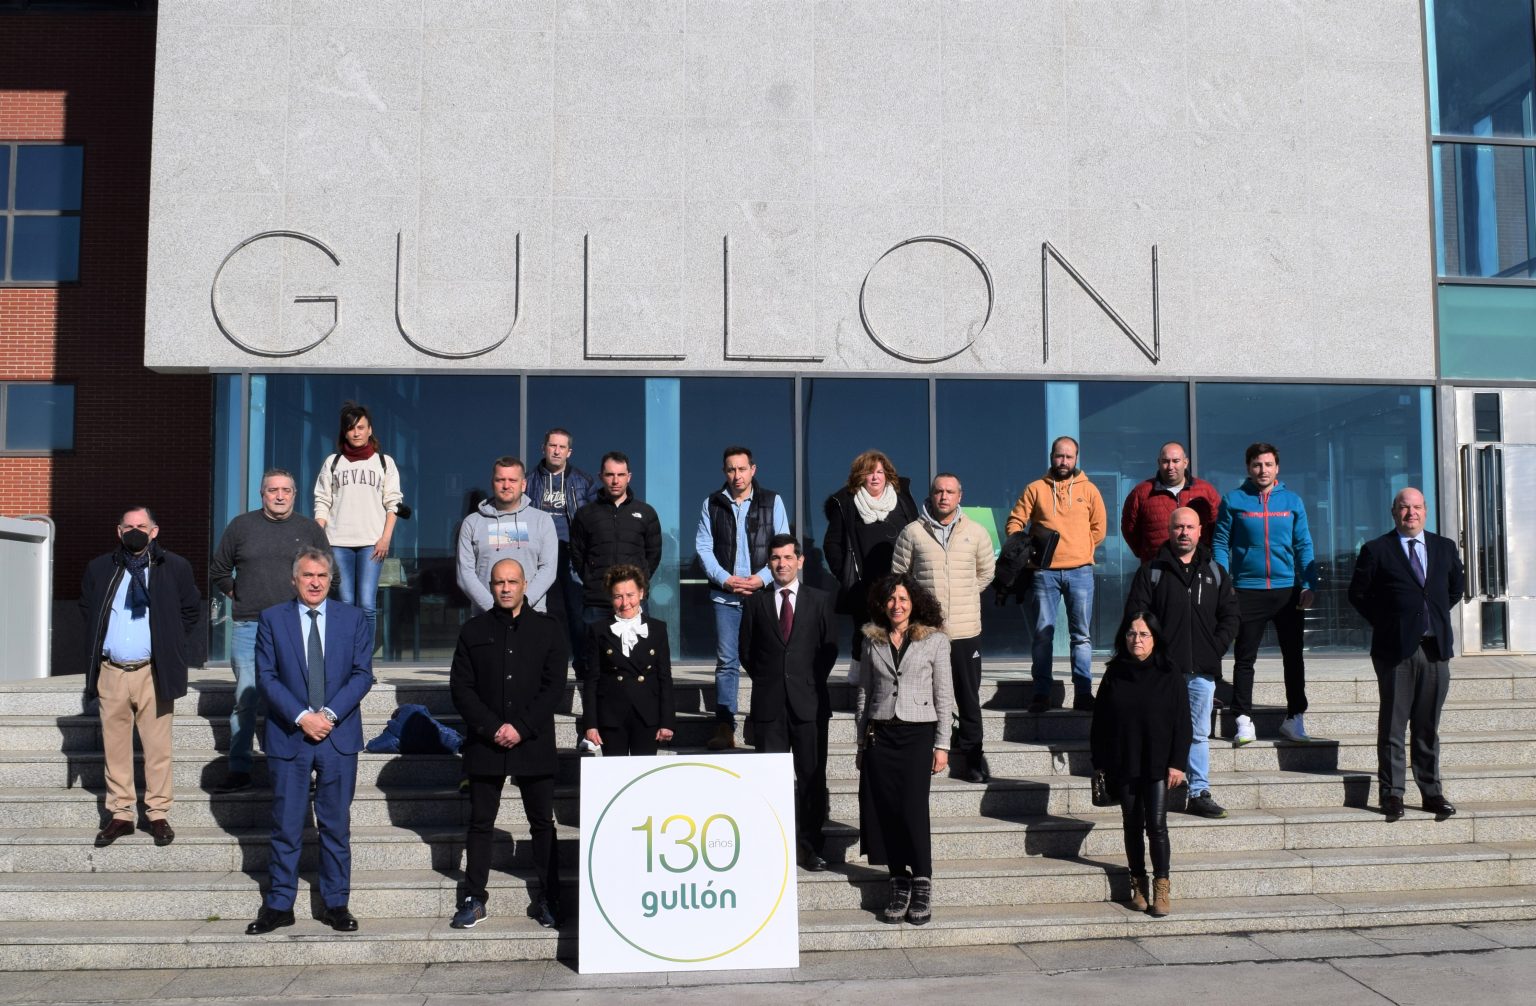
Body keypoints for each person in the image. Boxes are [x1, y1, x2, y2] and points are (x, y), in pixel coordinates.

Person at [246, 547, 375, 935]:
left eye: (321, 576)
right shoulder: (273, 619)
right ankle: (279, 905)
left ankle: (336, 904)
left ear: (331, 580)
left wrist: (328, 715)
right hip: (290, 736)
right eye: (307, 575)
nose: (315, 582)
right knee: (286, 826)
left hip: (338, 736)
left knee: (335, 827)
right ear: (294, 580)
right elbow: (266, 676)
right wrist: (303, 717)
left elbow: (362, 674)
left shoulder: (353, 618)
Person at [448, 558, 568, 930]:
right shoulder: (473, 630)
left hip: (534, 740)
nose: (505, 588)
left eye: (512, 581)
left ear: (524, 584)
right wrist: (492, 727)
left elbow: (554, 687)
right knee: (481, 823)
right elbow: (461, 688)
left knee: (542, 823)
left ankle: (549, 898)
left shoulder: (548, 629)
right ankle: (474, 898)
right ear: (491, 585)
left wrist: (521, 727)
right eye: (499, 582)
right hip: (486, 743)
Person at [80, 507, 201, 848]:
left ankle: (158, 813)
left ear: (154, 531)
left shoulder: (174, 566)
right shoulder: (100, 567)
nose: (135, 531)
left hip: (153, 671)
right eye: (129, 526)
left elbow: (190, 609)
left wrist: (170, 642)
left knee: (157, 748)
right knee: (115, 746)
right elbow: (88, 609)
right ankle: (121, 814)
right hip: (112, 671)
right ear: (119, 531)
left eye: (141, 526)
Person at [1347, 488, 1465, 823]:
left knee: (1427, 726)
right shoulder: (1377, 549)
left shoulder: (1444, 547)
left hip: (1435, 649)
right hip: (1395, 651)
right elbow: (1358, 594)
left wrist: (1430, 617)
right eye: (1404, 507)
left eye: (1416, 507)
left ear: (1425, 511)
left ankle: (1431, 793)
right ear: (1393, 512)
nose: (1410, 513)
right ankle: (1392, 794)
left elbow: (1455, 588)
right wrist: (1391, 623)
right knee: (1394, 726)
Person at [209, 468, 331, 792]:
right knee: (246, 697)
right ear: (262, 494)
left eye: (286, 490)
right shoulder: (241, 526)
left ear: (294, 494)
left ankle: (302, 769)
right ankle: (239, 769)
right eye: (273, 490)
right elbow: (219, 570)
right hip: (250, 624)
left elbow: (327, 571)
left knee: (301, 698)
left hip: (296, 626)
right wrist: (239, 594)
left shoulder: (309, 529)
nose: (279, 496)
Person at [1125, 507, 1239, 818]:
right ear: (1169, 530)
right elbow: (1136, 617)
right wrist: (1152, 655)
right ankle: (1153, 788)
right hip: (1161, 670)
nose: (1184, 532)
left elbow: (1231, 616)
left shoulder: (1215, 572)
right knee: (1156, 729)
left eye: (1190, 527)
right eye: (1178, 527)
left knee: (1199, 733)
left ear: (1200, 531)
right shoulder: (1151, 572)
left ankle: (1199, 791)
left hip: (1202, 670)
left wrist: (1214, 648)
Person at [854, 574, 953, 927]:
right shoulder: (871, 640)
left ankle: (922, 881)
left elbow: (944, 694)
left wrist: (943, 744)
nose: (897, 605)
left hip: (917, 735)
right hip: (880, 736)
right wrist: (860, 742)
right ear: (883, 604)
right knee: (886, 811)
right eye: (891, 599)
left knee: (912, 809)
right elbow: (864, 693)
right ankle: (898, 880)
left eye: (903, 599)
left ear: (914, 603)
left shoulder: (935, 640)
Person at [739, 534, 839, 870]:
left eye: (787, 557)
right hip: (769, 706)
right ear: (768, 563)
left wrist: (805, 681)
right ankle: (775, 845)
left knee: (811, 777)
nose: (782, 564)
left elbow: (828, 649)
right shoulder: (756, 603)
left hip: (809, 704)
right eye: (775, 558)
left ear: (800, 560)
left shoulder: (820, 600)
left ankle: (810, 846)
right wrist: (771, 681)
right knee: (770, 779)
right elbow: (746, 652)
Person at [891, 473, 996, 783]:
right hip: (926, 632)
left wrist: (964, 594)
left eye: (950, 492)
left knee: (968, 698)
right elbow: (899, 577)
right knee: (924, 695)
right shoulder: (912, 532)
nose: (944, 497)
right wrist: (922, 610)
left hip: (965, 631)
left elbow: (986, 573)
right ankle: (927, 753)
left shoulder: (976, 533)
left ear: (960, 496)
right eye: (939, 491)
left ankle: (973, 760)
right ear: (931, 495)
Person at [1213, 442, 1319, 745]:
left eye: (1268, 464)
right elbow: (1220, 543)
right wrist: (1224, 581)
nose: (1263, 470)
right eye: (1257, 465)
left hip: (1287, 591)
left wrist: (1309, 583)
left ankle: (1295, 718)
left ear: (1277, 468)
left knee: (1293, 658)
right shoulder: (1234, 500)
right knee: (1245, 658)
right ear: (1248, 467)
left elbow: (1303, 544)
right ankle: (1243, 720)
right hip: (1247, 590)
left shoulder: (1292, 501)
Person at [1090, 611, 1191, 919]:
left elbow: (1183, 723)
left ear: (1155, 638)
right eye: (1132, 633)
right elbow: (1100, 721)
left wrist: (1177, 763)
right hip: (1123, 761)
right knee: (1132, 825)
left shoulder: (1169, 672)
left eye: (1144, 634)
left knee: (1156, 827)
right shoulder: (1114, 672)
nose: (1137, 639)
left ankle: (1162, 888)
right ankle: (1138, 886)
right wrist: (1099, 763)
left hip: (1158, 763)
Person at [695, 445, 789, 750]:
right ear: (725, 472)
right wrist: (725, 579)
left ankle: (765, 722)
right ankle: (725, 726)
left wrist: (762, 578)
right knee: (727, 661)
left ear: (753, 470)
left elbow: (783, 546)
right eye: (731, 469)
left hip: (764, 596)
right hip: (726, 598)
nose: (737, 475)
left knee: (768, 659)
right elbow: (704, 549)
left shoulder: (772, 501)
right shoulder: (712, 503)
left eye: (742, 468)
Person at [1004, 436, 1107, 713]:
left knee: (1081, 636)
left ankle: (1083, 693)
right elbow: (1015, 521)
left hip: (1080, 571)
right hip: (1043, 573)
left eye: (1069, 457)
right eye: (1060, 456)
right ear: (1052, 456)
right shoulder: (1035, 488)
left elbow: (1099, 529)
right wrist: (1024, 548)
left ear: (1076, 459)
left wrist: (1080, 549)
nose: (1064, 461)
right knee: (1042, 635)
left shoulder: (1089, 490)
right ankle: (1041, 694)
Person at [313, 400, 403, 647]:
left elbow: (393, 503)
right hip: (337, 542)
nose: (356, 432)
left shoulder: (384, 462)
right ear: (344, 432)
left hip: (372, 544)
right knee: (344, 602)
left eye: (361, 427)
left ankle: (363, 658)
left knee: (366, 604)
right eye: (351, 428)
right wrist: (319, 536)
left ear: (370, 430)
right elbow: (322, 501)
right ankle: (344, 655)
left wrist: (385, 538)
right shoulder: (333, 462)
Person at [823, 450, 920, 663]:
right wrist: (845, 574)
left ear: (887, 475)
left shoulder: (902, 500)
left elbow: (917, 535)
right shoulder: (847, 503)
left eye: (879, 472)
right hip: (864, 587)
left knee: (902, 637)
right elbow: (832, 544)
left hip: (900, 585)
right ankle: (861, 680)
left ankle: (899, 678)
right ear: (860, 476)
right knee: (865, 644)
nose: (875, 477)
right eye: (869, 472)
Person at [525, 427, 598, 697]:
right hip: (538, 554)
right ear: (543, 448)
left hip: (572, 553)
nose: (556, 451)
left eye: (561, 447)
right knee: (537, 610)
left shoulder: (583, 481)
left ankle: (582, 666)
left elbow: (593, 520)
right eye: (552, 445)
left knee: (577, 612)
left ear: (569, 452)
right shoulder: (528, 480)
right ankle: (537, 666)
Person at [582, 564, 676, 757]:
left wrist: (667, 721)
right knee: (615, 772)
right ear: (611, 598)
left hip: (647, 715)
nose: (625, 603)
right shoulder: (599, 630)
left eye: (630, 595)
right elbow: (592, 680)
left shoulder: (658, 629)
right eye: (618, 596)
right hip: (611, 716)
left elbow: (665, 678)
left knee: (644, 773)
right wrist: (591, 724)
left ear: (641, 593)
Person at [570, 451, 662, 629]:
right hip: (597, 602)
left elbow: (653, 555)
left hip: (634, 603)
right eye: (610, 475)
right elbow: (577, 555)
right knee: (595, 648)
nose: (615, 480)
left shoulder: (646, 513)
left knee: (637, 648)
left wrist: (638, 583)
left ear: (629, 477)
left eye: (620, 475)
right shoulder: (585, 514)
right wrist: (591, 579)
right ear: (600, 477)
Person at [456, 456, 558, 616]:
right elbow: (465, 574)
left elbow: (548, 569)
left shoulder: (542, 521)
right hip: (486, 616)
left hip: (531, 614)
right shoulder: (472, 523)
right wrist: (493, 609)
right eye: (500, 480)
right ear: (492, 483)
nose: (506, 485)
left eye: (512, 480)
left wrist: (523, 605)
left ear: (523, 485)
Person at [1120, 441, 1220, 563]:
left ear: (1185, 462)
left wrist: (1206, 554)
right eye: (1165, 461)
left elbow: (1217, 528)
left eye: (1176, 461)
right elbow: (1129, 530)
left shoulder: (1206, 491)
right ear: (1159, 463)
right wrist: (1146, 553)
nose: (1170, 466)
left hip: (1197, 567)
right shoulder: (1141, 492)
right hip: (1156, 567)